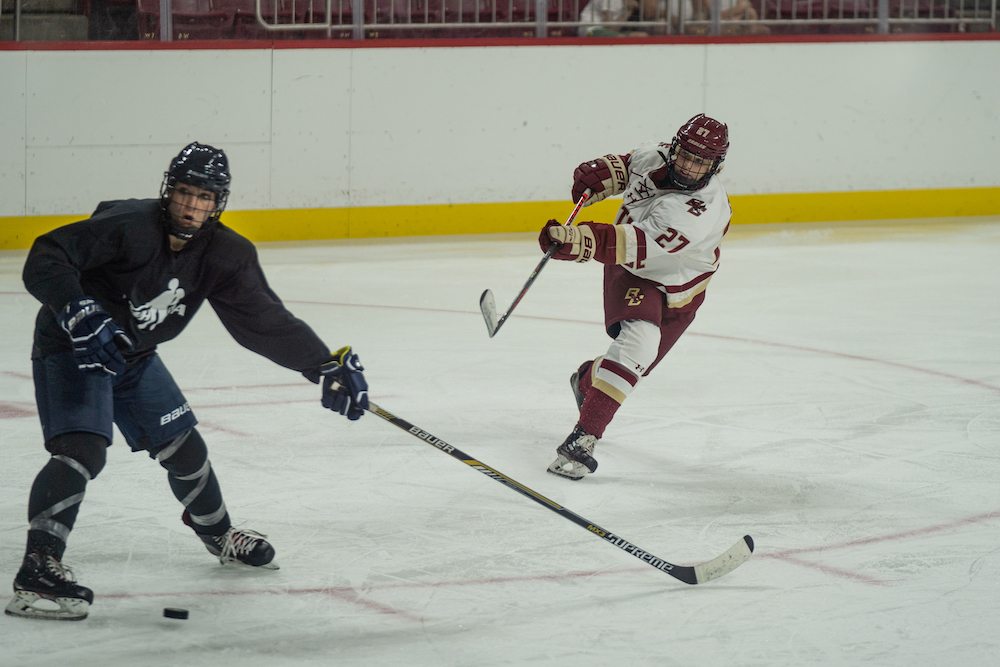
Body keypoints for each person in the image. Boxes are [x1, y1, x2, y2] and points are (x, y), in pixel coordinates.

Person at [5, 142, 370, 621]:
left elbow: (264, 320)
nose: (192, 206)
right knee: (83, 448)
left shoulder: (226, 255)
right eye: (184, 193)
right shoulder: (128, 226)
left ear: (219, 203)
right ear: (167, 191)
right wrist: (76, 308)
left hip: (134, 355)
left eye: (204, 197)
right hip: (76, 347)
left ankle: (220, 537)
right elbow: (48, 255)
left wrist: (323, 364)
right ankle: (38, 570)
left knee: (186, 450)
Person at [539, 114, 731, 481]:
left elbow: (638, 242)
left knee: (633, 368)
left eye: (701, 161)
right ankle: (582, 441)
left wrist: (580, 240)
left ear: (715, 165)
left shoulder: (700, 212)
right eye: (686, 155)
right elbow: (627, 168)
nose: (690, 166)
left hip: (682, 288)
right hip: (631, 269)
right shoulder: (654, 155)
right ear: (674, 147)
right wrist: (600, 179)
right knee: (640, 345)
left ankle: (586, 381)